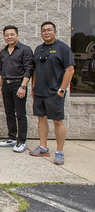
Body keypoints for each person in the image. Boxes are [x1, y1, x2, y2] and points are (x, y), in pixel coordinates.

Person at [29, 21, 74, 165]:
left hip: (55, 92)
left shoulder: (63, 48)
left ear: (55, 32)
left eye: (49, 30)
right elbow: (35, 69)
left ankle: (59, 152)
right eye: (43, 30)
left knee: (57, 121)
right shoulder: (38, 49)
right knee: (41, 119)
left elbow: (70, 69)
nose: (46, 33)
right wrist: (33, 86)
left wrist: (62, 90)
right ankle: (43, 147)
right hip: (40, 91)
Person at [0, 25, 33, 153]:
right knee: (9, 113)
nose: (9, 37)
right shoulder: (3, 52)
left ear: (17, 35)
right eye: (7, 35)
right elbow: (0, 70)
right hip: (6, 85)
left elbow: (29, 69)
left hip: (19, 84)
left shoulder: (25, 50)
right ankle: (12, 137)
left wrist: (23, 86)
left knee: (21, 114)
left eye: (12, 34)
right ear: (4, 37)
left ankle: (21, 141)